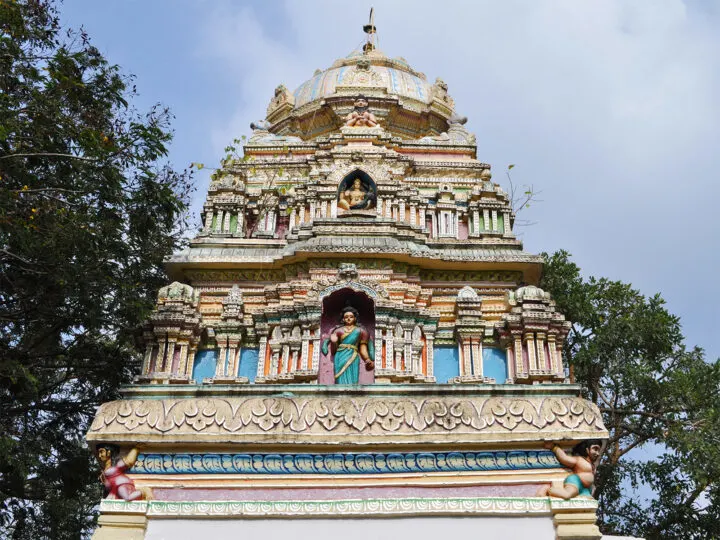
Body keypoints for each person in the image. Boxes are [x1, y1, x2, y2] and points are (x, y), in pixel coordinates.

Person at [321, 306, 375, 384]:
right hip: (340, 355)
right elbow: (333, 352)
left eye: (351, 317)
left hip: (353, 355)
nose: (348, 319)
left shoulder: (361, 331)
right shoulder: (338, 331)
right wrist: (333, 342)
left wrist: (367, 359)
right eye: (346, 317)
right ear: (343, 319)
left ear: (355, 318)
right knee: (339, 379)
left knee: (353, 379)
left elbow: (362, 349)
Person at [536, 439, 602, 499]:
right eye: (595, 449)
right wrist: (554, 447)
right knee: (567, 495)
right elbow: (564, 458)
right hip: (576, 482)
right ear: (587, 450)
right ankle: (548, 490)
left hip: (585, 489)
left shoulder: (593, 466)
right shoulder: (579, 460)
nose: (597, 453)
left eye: (599, 450)